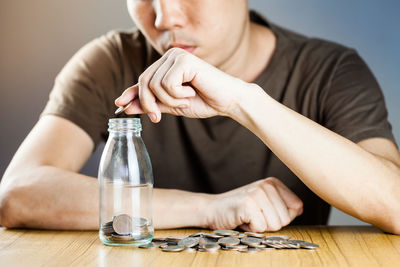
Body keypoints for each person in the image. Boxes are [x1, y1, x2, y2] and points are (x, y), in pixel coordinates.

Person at [1, 0, 399, 234]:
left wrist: (243, 101)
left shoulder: (331, 70)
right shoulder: (111, 61)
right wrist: (211, 209)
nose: (164, 17)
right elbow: (18, 192)